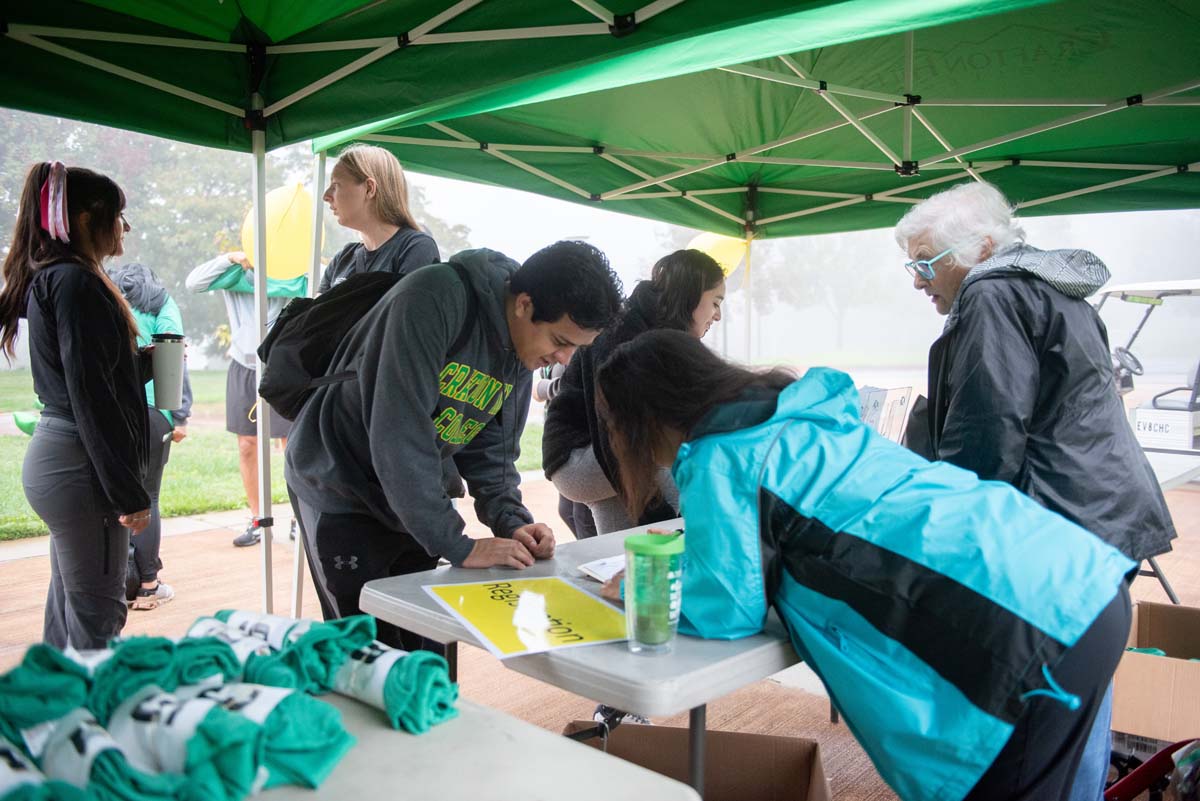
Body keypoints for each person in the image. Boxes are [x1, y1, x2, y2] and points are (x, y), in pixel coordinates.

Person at [596, 329, 1134, 801]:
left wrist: (644, 587)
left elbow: (728, 605)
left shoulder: (722, 454)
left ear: (643, 419)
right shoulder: (803, 411)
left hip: (1022, 635)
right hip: (1073, 577)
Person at [894, 181, 1176, 801]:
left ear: (983, 247)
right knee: (1082, 703)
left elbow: (985, 437)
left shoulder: (992, 294)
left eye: (924, 263)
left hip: (1062, 530)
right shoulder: (1057, 289)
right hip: (1107, 517)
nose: (916, 280)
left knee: (1043, 723)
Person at [285, 240, 623, 652]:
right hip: (339, 486)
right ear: (524, 305)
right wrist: (457, 544)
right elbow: (399, 437)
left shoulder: (521, 347)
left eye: (575, 348)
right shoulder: (430, 300)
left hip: (409, 498)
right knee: (364, 653)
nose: (564, 359)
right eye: (560, 341)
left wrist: (511, 519)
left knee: (426, 648)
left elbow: (494, 448)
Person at [0, 162, 150, 649]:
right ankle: (91, 719)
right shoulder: (77, 283)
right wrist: (128, 493)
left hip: (59, 458)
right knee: (98, 618)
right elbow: (91, 398)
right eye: (118, 214)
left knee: (70, 609)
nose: (124, 226)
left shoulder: (57, 278)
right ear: (86, 219)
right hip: (79, 465)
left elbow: (86, 374)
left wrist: (138, 363)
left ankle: (55, 710)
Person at [543, 248, 725, 534]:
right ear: (691, 295)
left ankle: (621, 564)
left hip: (613, 451)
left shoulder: (663, 334)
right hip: (580, 457)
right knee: (671, 480)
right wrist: (658, 521)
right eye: (715, 302)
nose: (718, 315)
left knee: (625, 546)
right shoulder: (622, 334)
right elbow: (610, 433)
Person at [185, 250, 302, 547]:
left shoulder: (294, 269)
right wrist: (229, 258)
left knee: (293, 445)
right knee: (247, 445)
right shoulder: (238, 272)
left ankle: (299, 518)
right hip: (244, 365)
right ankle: (258, 521)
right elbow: (194, 283)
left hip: (283, 366)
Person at [108, 262, 194, 611]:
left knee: (117, 496)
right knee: (149, 497)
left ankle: (117, 583)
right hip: (153, 412)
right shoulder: (163, 304)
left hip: (111, 412)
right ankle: (147, 585)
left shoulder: (107, 301)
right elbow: (172, 360)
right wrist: (180, 414)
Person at [317, 144, 441, 293]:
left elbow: (408, 313)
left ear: (369, 189)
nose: (326, 196)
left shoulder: (415, 248)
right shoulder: (343, 257)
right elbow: (314, 315)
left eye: (336, 185)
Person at [533, 363, 596, 540]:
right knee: (567, 511)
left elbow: (588, 378)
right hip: (566, 446)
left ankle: (598, 561)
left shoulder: (584, 342)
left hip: (586, 442)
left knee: (583, 517)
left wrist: (546, 388)